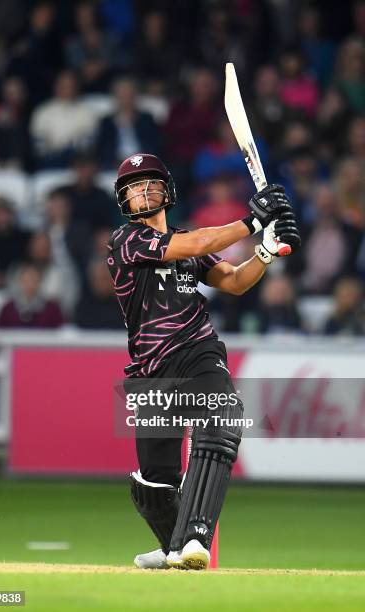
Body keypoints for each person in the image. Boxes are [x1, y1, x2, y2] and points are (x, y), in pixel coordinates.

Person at [107, 153, 301, 570]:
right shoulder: (126, 241)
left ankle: (195, 539)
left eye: (151, 183)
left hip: (197, 349)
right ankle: (173, 547)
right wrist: (252, 222)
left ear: (167, 190)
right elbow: (194, 244)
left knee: (223, 416)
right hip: (151, 369)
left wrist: (264, 251)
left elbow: (232, 281)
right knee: (153, 483)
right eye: (134, 187)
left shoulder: (190, 242)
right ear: (123, 199)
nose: (143, 192)